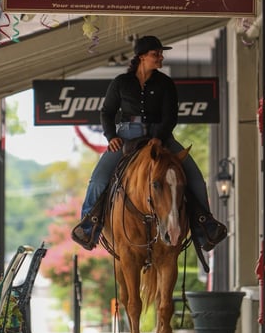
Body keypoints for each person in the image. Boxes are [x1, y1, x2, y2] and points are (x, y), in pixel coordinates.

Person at [71, 35, 227, 252]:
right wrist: (111, 137)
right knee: (98, 179)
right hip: (126, 137)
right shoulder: (121, 83)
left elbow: (171, 116)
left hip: (161, 138)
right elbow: (107, 112)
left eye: (161, 54)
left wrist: (159, 136)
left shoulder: (166, 83)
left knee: (195, 178)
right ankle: (89, 225)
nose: (161, 57)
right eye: (156, 54)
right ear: (142, 57)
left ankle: (204, 226)